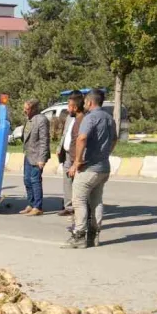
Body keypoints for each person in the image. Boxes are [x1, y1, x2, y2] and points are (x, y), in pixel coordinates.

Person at [63, 89, 117, 249]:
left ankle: (79, 235)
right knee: (96, 201)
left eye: (86, 101)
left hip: (89, 168)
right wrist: (106, 153)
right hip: (103, 167)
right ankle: (94, 235)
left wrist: (77, 161)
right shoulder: (109, 118)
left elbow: (82, 138)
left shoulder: (90, 118)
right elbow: (114, 139)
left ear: (90, 102)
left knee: (78, 200)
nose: (84, 104)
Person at [56, 92, 85, 218]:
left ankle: (80, 209)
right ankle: (69, 207)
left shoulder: (84, 119)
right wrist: (60, 147)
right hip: (67, 154)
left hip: (78, 155)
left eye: (69, 106)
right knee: (67, 181)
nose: (67, 109)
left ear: (75, 107)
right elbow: (65, 134)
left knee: (78, 182)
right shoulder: (69, 118)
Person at [20, 99, 50, 216]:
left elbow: (44, 141)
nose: (24, 111)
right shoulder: (29, 119)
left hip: (37, 156)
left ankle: (38, 207)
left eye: (26, 109)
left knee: (35, 180)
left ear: (33, 109)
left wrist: (42, 159)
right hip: (28, 154)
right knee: (27, 180)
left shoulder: (41, 120)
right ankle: (31, 204)